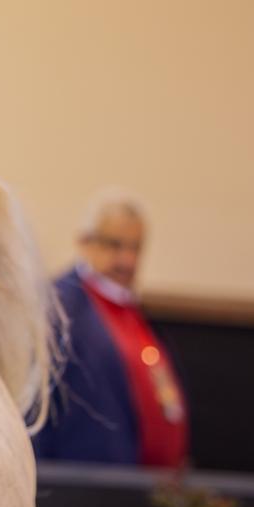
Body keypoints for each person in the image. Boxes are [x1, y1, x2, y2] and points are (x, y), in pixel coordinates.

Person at [32, 189, 189, 468]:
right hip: (84, 480)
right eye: (115, 245)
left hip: (139, 482)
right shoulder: (60, 308)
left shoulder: (129, 311)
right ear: (85, 242)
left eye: (135, 248)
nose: (127, 261)